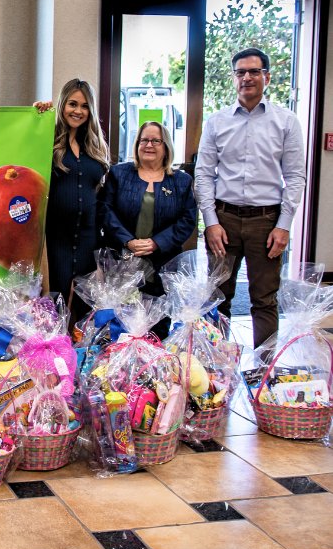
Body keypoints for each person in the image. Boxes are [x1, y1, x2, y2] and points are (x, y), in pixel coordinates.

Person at [194, 47, 306, 349]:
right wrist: (211, 223)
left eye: (254, 71)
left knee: (264, 299)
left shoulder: (286, 122)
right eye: (240, 72)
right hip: (224, 220)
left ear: (266, 77)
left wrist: (283, 226)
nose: (247, 77)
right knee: (216, 298)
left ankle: (262, 373)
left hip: (267, 222)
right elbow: (203, 174)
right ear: (234, 78)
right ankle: (216, 371)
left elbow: (295, 177)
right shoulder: (217, 122)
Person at [101, 121, 197, 334]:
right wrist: (128, 241)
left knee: (159, 326)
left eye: (156, 140)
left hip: (163, 264)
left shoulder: (181, 181)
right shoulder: (119, 174)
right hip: (123, 263)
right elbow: (105, 211)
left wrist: (156, 243)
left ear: (166, 147)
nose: (149, 145)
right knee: (121, 324)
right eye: (144, 140)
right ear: (137, 144)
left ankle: (155, 366)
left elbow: (187, 220)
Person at [35, 79, 110, 319]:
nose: (78, 111)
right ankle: (54, 353)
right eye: (72, 104)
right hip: (56, 238)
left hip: (88, 238)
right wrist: (36, 116)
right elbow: (23, 145)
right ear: (62, 105)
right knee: (53, 303)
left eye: (85, 106)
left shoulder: (94, 146)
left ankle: (81, 352)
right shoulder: (47, 139)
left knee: (85, 305)